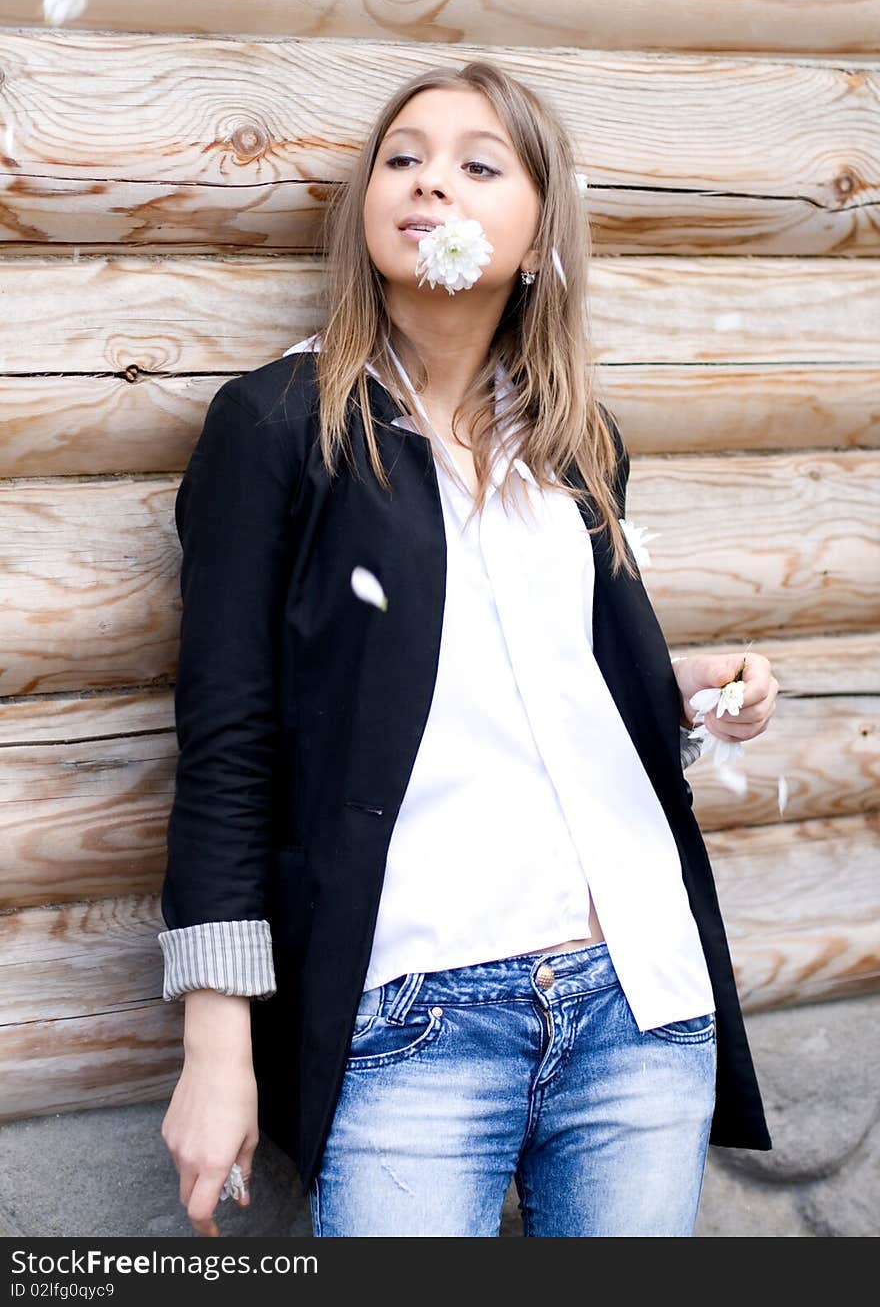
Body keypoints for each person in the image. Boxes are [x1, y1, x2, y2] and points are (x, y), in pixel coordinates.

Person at [158, 60, 777, 1238]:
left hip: (636, 998)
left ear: (540, 237)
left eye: (477, 164)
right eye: (403, 158)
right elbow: (229, 741)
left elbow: (552, 684)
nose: (429, 181)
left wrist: (689, 689)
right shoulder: (281, 425)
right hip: (412, 1013)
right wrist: (217, 1044)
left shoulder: (577, 443)